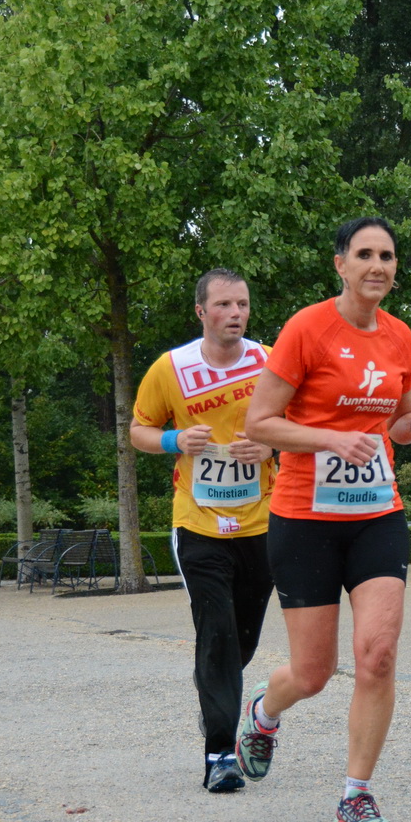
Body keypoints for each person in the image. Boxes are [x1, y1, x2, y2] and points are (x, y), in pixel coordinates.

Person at [241, 217, 411, 822]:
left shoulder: (400, 336)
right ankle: (265, 712)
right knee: (313, 673)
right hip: (304, 518)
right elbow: (259, 424)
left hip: (378, 513)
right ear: (341, 265)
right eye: (365, 255)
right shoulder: (307, 329)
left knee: (377, 656)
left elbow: (397, 426)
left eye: (387, 255)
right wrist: (332, 438)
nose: (378, 265)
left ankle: (355, 796)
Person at [130, 268, 278, 793]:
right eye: (223, 305)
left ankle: (219, 696)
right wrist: (173, 440)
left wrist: (271, 447)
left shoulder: (270, 361)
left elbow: (302, 422)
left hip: (262, 520)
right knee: (214, 632)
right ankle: (219, 753)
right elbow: (138, 431)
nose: (235, 313)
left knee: (242, 639)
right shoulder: (170, 368)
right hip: (198, 523)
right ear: (201, 311)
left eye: (242, 304)